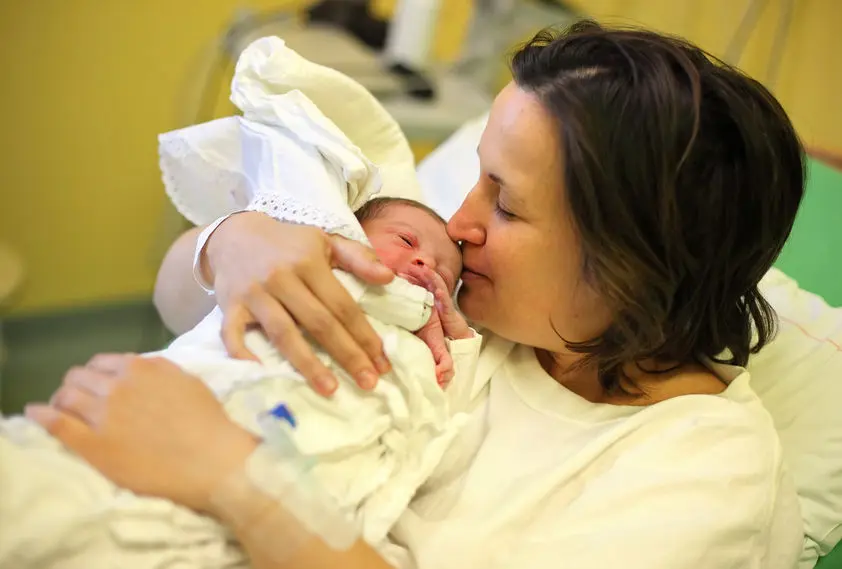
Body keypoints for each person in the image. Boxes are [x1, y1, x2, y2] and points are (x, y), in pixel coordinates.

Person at [26, 21, 807, 569]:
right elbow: (177, 303)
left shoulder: (705, 466)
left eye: (506, 203)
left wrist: (229, 473)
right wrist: (230, 245)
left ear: (632, 262)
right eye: (475, 177)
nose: (457, 222)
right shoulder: (465, 298)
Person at [0, 39, 479, 567]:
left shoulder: (434, 338)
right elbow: (179, 289)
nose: (426, 268)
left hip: (273, 471)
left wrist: (450, 345)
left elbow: (438, 397)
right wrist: (232, 236)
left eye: (445, 274)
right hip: (186, 405)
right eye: (408, 243)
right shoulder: (319, 256)